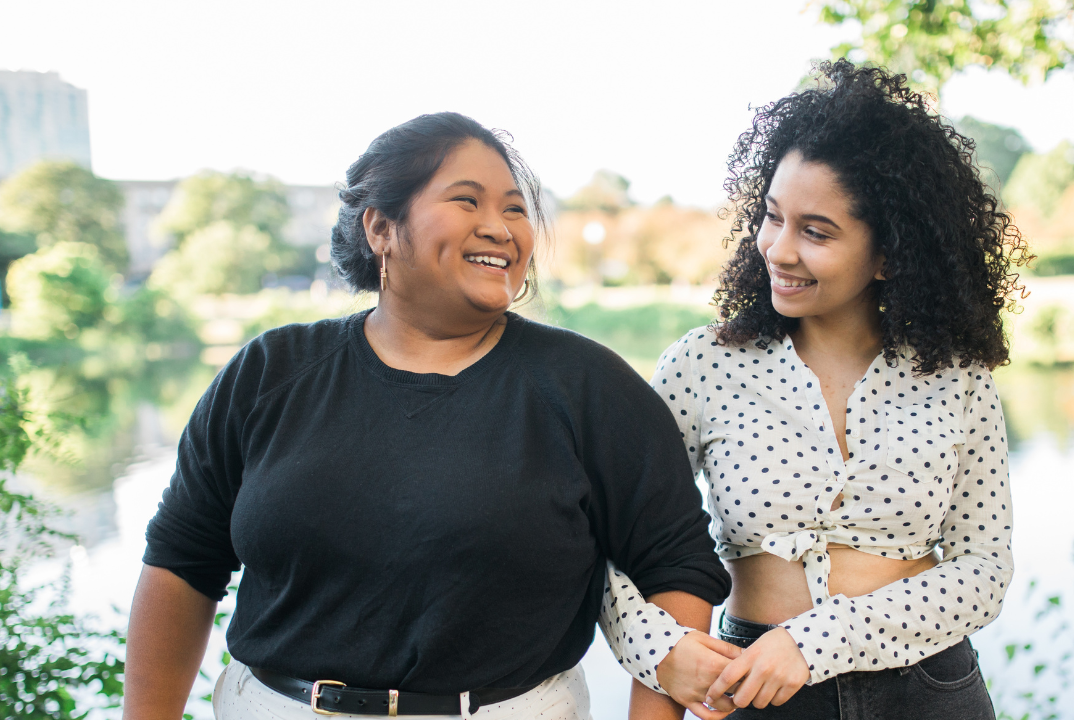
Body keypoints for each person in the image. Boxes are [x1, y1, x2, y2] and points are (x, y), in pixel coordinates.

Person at [122, 112, 734, 720]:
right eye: (467, 201)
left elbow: (675, 565)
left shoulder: (590, 387)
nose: (500, 228)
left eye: (516, 209)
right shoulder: (270, 371)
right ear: (382, 228)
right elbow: (182, 560)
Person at [636, 61, 1030, 719]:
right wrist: (662, 649)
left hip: (930, 690)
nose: (778, 249)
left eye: (815, 232)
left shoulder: (958, 378)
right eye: (771, 216)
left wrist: (818, 640)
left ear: (889, 254)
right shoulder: (700, 366)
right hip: (758, 694)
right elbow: (624, 544)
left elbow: (984, 573)